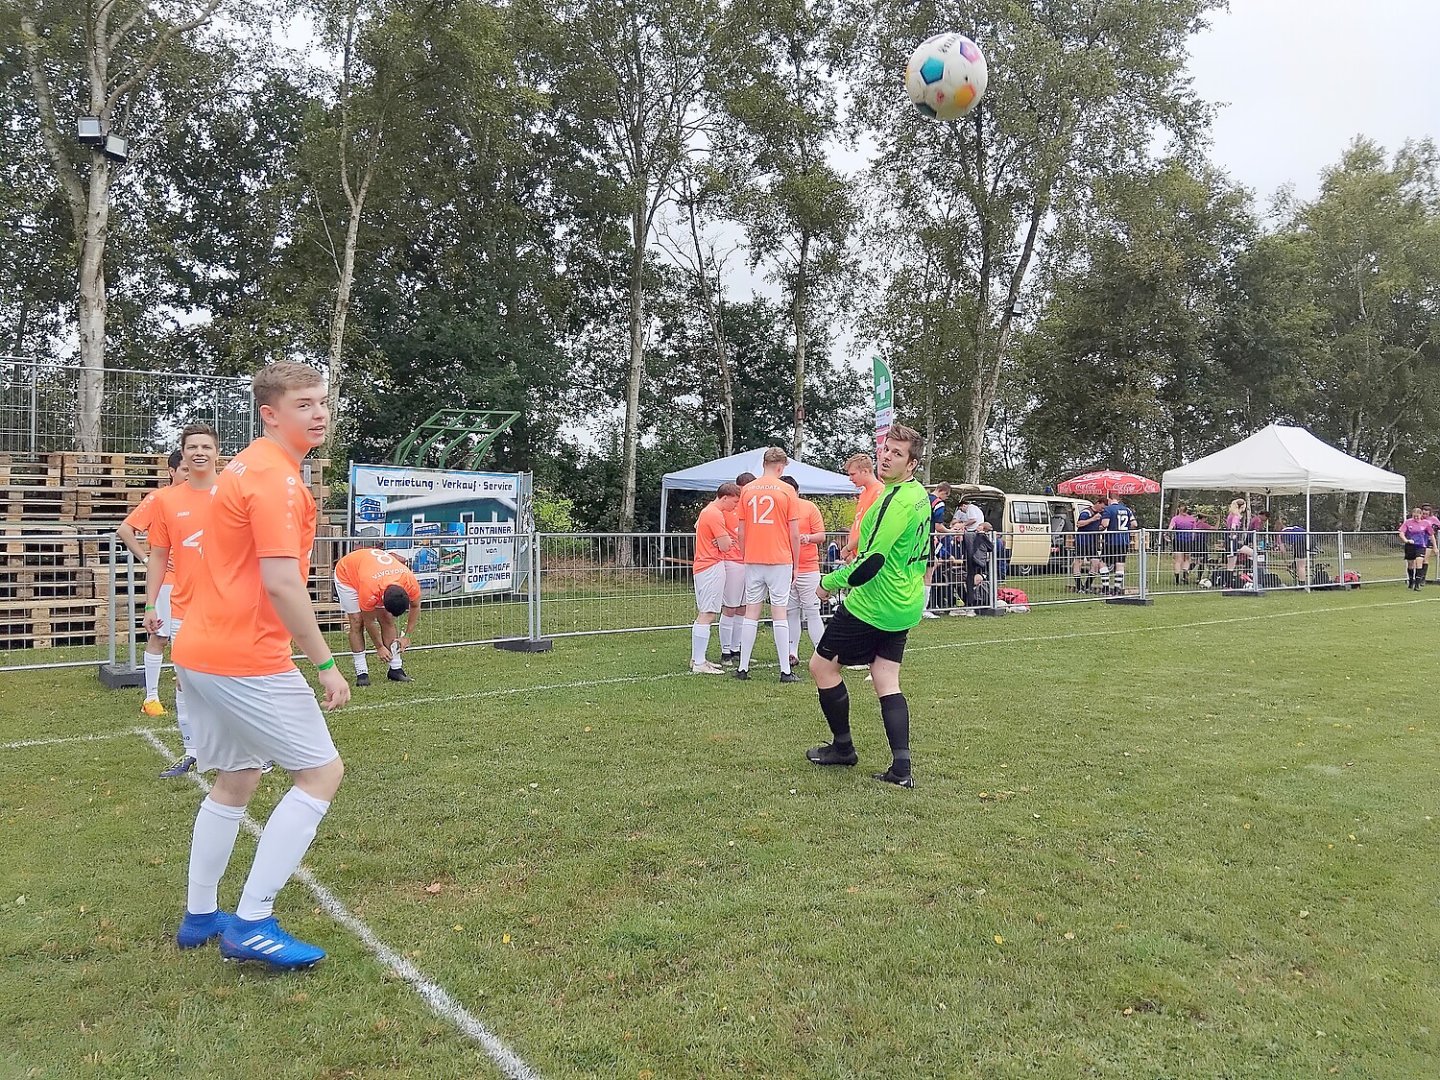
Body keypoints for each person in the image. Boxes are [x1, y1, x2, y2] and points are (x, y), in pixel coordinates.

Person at [170, 361, 350, 971]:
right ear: (270, 413)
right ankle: (252, 921)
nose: (319, 412)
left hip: (201, 648)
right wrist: (325, 661)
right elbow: (280, 581)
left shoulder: (244, 465)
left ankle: (200, 915)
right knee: (321, 774)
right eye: (303, 404)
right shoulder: (273, 478)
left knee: (238, 777)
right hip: (244, 656)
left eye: (322, 401)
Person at [805, 424, 931, 788]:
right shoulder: (916, 494)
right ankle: (901, 769)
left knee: (821, 667)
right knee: (885, 677)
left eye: (897, 453)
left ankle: (843, 748)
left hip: (873, 604)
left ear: (912, 464)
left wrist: (828, 584)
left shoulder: (895, 500)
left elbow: (872, 562)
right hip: (905, 604)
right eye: (886, 449)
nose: (887, 456)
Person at [142, 425, 219, 778]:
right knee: (185, 680)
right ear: (183, 454)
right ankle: (192, 751)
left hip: (228, 608)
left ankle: (252, 750)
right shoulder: (166, 501)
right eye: (192, 447)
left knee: (233, 679)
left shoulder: (233, 493)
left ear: (217, 452)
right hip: (183, 607)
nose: (199, 452)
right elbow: (158, 556)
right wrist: (148, 605)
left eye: (206, 446)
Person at [116, 449, 186, 718]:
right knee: (160, 636)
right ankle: (152, 697)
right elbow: (125, 529)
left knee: (189, 641)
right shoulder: (159, 498)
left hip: (195, 583)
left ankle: (188, 695)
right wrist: (147, 559)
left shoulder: (205, 498)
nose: (189, 475)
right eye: (184, 470)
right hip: (167, 583)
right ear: (172, 471)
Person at [735, 448, 801, 682]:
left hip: (753, 557)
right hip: (780, 557)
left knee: (751, 611)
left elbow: (741, 530)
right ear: (781, 467)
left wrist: (745, 554)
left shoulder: (747, 490)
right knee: (779, 612)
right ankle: (785, 670)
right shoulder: (787, 491)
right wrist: (797, 562)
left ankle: (743, 668)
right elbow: (794, 533)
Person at [332, 547, 423, 684]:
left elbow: (415, 606)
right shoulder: (370, 589)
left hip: (374, 572)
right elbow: (369, 622)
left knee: (386, 618)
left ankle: (396, 669)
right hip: (347, 574)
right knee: (357, 622)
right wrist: (379, 647)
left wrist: (407, 636)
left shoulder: (410, 582)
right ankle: (361, 672)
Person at [688, 482, 741, 674]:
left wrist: (725, 539)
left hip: (707, 565)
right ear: (724, 497)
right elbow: (726, 545)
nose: (734, 506)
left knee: (706, 612)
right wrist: (727, 540)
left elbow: (724, 541)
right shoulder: (715, 514)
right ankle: (699, 662)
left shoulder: (708, 512)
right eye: (734, 502)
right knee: (708, 613)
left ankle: (697, 658)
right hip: (710, 565)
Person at [781, 475, 827, 667]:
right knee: (790, 611)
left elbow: (821, 535)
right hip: (784, 567)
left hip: (808, 567)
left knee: (811, 610)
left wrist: (807, 538)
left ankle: (821, 652)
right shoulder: (779, 510)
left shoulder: (809, 508)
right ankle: (792, 652)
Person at [718, 482, 747, 662]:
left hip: (748, 562)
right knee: (730, 606)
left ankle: (737, 648)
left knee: (743, 608)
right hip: (732, 562)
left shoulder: (748, 509)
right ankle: (725, 650)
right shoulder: (724, 509)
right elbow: (703, 525)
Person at [840, 453, 884, 563]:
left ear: (865, 471)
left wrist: (848, 548)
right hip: (858, 553)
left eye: (853, 474)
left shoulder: (879, 492)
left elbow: (872, 528)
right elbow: (857, 522)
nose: (850, 479)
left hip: (868, 554)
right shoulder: (864, 492)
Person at [921, 482, 951, 618]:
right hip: (927, 542)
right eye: (946, 496)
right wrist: (950, 531)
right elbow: (938, 526)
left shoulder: (922, 499)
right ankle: (923, 609)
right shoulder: (938, 503)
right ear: (943, 492)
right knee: (928, 574)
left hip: (915, 540)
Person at [1099, 493, 1136, 595]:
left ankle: (1106, 588)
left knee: (1102, 563)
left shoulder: (1109, 509)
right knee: (1120, 564)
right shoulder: (1127, 509)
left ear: (1109, 499)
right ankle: (1116, 588)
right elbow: (1134, 524)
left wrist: (1100, 527)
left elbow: (1105, 524)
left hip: (1111, 541)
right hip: (1124, 541)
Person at [1398, 507, 1434, 590]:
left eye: (1417, 516)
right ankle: (1411, 581)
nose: (1416, 518)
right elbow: (1401, 533)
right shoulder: (1408, 522)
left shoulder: (1425, 523)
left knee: (1419, 563)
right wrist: (1406, 540)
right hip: (1410, 545)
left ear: (1421, 515)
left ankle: (1417, 584)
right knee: (1410, 564)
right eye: (1414, 516)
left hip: (1421, 546)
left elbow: (1431, 534)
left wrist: (1435, 546)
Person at [1073, 499, 1103, 592]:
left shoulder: (1100, 514)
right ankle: (1078, 586)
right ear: (1098, 503)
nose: (1102, 509)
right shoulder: (1086, 512)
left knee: (1095, 563)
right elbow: (1079, 524)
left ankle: (1087, 585)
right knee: (1079, 562)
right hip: (1082, 541)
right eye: (1102, 507)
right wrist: (1093, 519)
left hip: (1093, 542)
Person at [1168, 502, 1198, 584]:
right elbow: (1194, 531)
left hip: (1178, 541)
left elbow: (1170, 528)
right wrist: (1192, 540)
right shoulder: (1192, 519)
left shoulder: (1175, 518)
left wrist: (1166, 535)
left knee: (1178, 560)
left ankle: (1177, 579)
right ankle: (1185, 575)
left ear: (1178, 509)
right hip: (1188, 541)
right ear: (1187, 510)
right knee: (1187, 559)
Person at [1224, 498, 1255, 571]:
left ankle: (1229, 579)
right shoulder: (1235, 516)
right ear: (1242, 507)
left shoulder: (1231, 515)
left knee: (1231, 566)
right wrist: (1233, 534)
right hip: (1233, 542)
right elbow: (1233, 526)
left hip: (1231, 542)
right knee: (1254, 553)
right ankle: (1249, 570)